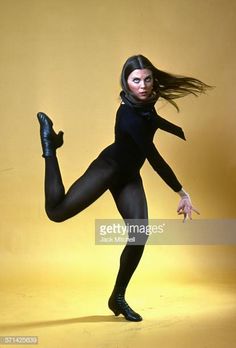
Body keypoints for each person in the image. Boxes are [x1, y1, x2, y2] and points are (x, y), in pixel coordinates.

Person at [37, 54, 210, 322]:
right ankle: (50, 148)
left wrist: (172, 128)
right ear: (126, 83)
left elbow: (150, 119)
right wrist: (182, 192)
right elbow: (153, 157)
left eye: (148, 79)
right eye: (136, 80)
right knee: (56, 212)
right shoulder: (128, 114)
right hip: (108, 169)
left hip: (129, 175)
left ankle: (117, 297)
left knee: (139, 235)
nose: (143, 85)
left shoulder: (144, 103)